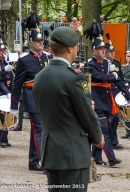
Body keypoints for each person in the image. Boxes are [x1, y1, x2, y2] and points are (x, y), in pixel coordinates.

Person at [32, 27, 104, 191]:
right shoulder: (74, 77)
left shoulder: (40, 75)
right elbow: (87, 114)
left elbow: (48, 109)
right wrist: (97, 137)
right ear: (70, 48)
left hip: (51, 151)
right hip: (72, 153)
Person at [86, 22, 130, 166]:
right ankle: (111, 158)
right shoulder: (90, 64)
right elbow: (99, 77)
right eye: (100, 49)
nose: (103, 51)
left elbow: (119, 79)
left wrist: (127, 94)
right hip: (96, 100)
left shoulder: (108, 64)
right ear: (94, 51)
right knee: (104, 129)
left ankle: (97, 157)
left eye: (104, 49)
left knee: (101, 128)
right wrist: (113, 77)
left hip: (106, 100)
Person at [10, 27, 53, 171]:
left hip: (46, 98)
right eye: (37, 41)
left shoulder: (48, 57)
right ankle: (45, 162)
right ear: (31, 43)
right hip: (32, 97)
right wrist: (14, 105)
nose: (41, 43)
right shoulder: (24, 59)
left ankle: (33, 160)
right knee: (40, 129)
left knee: (39, 130)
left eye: (41, 40)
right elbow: (17, 84)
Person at [105, 34, 125, 150]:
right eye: (110, 51)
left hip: (115, 92)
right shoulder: (103, 63)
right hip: (105, 91)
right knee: (107, 118)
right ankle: (107, 140)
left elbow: (120, 77)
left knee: (115, 117)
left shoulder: (116, 63)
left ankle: (114, 139)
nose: (113, 53)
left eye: (113, 51)